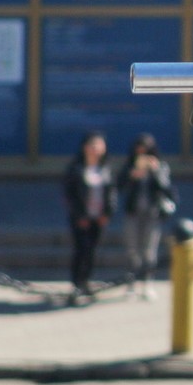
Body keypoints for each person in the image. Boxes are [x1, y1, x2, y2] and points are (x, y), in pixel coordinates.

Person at [114, 132, 176, 300]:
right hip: (133, 212)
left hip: (152, 213)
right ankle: (131, 282)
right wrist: (132, 175)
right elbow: (119, 187)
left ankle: (148, 283)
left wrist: (155, 172)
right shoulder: (129, 166)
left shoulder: (160, 166)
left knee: (149, 250)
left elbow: (169, 190)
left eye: (146, 151)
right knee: (132, 249)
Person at [60, 130, 115, 306]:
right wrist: (79, 216)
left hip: (98, 218)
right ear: (85, 148)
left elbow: (111, 193)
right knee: (80, 250)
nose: (96, 149)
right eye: (92, 145)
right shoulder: (76, 169)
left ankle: (86, 282)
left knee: (91, 250)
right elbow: (69, 195)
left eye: (99, 145)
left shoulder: (105, 169)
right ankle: (76, 284)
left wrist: (107, 213)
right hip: (81, 218)